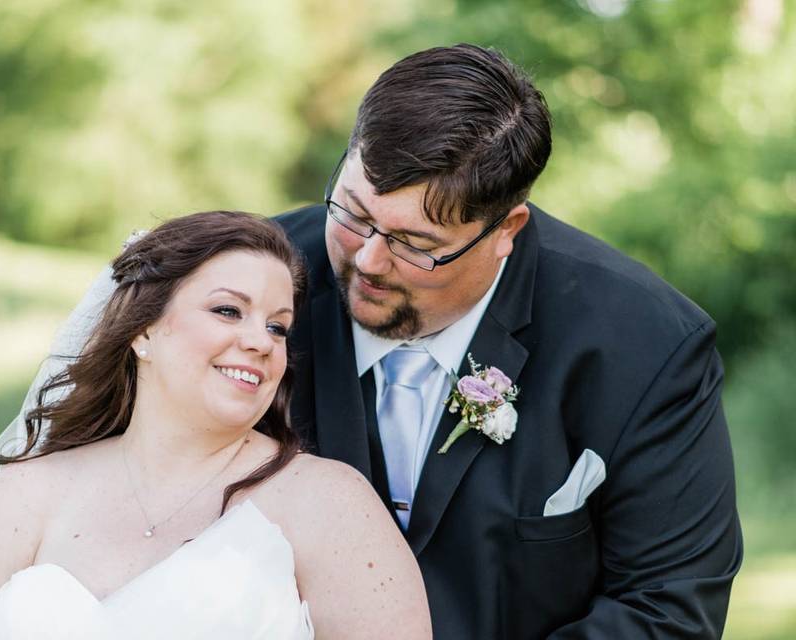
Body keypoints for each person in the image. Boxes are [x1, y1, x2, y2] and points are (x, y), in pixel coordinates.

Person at [276, 44, 742, 638]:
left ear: (506, 231)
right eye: (352, 212)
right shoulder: (248, 286)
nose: (367, 259)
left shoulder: (646, 347)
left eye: (414, 244)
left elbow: (669, 609)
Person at [0, 211, 432, 640]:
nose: (261, 341)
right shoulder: (26, 493)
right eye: (229, 310)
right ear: (143, 329)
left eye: (278, 326)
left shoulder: (331, 504)